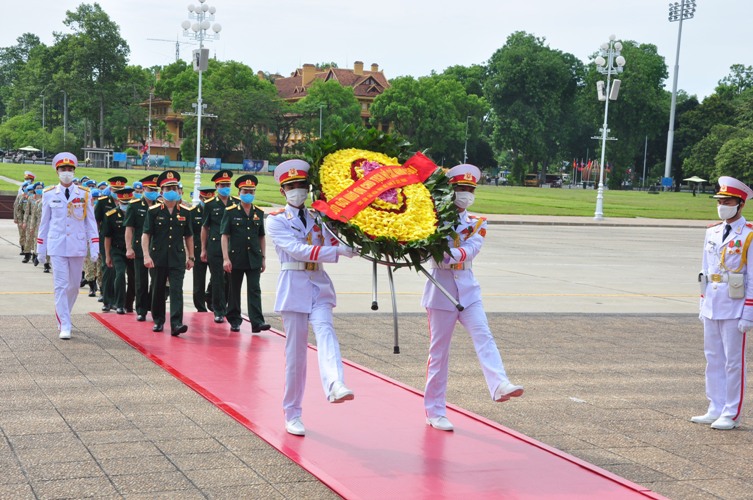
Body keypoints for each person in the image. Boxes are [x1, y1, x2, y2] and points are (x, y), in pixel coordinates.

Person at [422, 164, 523, 432]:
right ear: (450, 191)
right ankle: (434, 410)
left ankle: (499, 384)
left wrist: (447, 252)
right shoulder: (431, 220)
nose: (465, 194)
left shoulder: (477, 222)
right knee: (438, 354)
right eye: (460, 189)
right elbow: (429, 254)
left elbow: (471, 249)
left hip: (468, 290)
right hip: (440, 292)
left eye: (469, 190)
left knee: (483, 334)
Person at [266, 159, 356, 436]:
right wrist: (337, 251)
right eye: (291, 187)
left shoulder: (320, 218)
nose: (298, 191)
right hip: (293, 287)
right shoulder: (276, 220)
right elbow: (297, 250)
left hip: (319, 285)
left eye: (302, 186)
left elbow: (332, 240)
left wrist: (350, 242)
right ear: (282, 191)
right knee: (296, 357)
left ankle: (335, 384)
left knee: (327, 331)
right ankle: (292, 413)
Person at [693, 176, 753, 430]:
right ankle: (715, 407)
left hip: (735, 305)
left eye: (727, 201)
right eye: (720, 201)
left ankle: (731, 412)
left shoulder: (748, 234)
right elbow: (705, 270)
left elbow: (751, 275)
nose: (722, 206)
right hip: (713, 303)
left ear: (740, 205)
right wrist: (702, 302)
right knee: (713, 358)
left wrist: (748, 313)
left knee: (733, 362)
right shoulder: (712, 232)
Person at [36, 153, 99, 339]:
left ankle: (64, 313)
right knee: (61, 285)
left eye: (70, 170)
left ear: (74, 172)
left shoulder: (84, 194)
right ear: (57, 171)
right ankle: (65, 323)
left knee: (73, 286)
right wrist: (41, 247)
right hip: (57, 245)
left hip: (77, 245)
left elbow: (91, 223)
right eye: (63, 169)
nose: (66, 173)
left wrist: (94, 246)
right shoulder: (48, 194)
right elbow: (44, 223)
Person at [142, 170, 194, 336]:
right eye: (168, 188)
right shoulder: (154, 211)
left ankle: (176, 323)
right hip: (158, 257)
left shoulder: (185, 212)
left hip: (177, 257)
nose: (172, 191)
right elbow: (146, 235)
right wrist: (146, 255)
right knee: (157, 289)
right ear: (161, 191)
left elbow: (189, 236)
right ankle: (158, 320)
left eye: (174, 187)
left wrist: (191, 256)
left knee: (176, 290)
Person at [221, 174, 270, 333]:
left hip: (254, 257)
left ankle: (257, 321)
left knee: (254, 289)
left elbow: (261, 236)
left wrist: (263, 257)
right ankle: (234, 319)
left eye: (251, 191)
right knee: (234, 290)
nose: (248, 194)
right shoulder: (231, 211)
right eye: (245, 191)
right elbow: (225, 236)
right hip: (236, 257)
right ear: (239, 192)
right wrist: (226, 258)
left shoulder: (259, 212)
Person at [202, 170, 237, 324]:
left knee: (230, 280)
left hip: (232, 247)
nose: (226, 187)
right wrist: (203, 249)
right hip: (215, 247)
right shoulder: (210, 205)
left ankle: (228, 306)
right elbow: (205, 228)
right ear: (216, 187)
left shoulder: (236, 203)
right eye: (223, 185)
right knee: (218, 279)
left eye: (228, 185)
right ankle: (218, 310)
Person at [125, 174, 160, 322]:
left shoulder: (161, 205)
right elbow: (129, 228)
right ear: (144, 188)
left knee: (157, 280)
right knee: (141, 281)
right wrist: (129, 248)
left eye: (155, 189)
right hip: (140, 249)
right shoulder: (134, 206)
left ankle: (152, 306)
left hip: (157, 249)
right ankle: (141, 310)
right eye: (150, 189)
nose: (153, 192)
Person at [95, 176, 126, 311]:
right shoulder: (103, 202)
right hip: (106, 239)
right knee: (108, 269)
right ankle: (107, 300)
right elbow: (96, 221)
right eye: (115, 189)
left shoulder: (126, 202)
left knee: (119, 272)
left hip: (122, 241)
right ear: (110, 188)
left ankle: (117, 300)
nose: (117, 191)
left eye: (120, 189)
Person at [103, 187, 134, 315]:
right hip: (117, 250)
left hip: (133, 250)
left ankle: (129, 304)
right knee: (120, 274)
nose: (126, 206)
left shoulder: (136, 213)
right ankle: (119, 304)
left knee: (134, 278)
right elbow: (107, 237)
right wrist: (107, 256)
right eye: (123, 203)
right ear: (119, 201)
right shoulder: (111, 215)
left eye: (128, 203)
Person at [188, 187, 215, 312]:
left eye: (211, 199)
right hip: (198, 250)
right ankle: (200, 307)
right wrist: (190, 255)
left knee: (218, 278)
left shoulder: (217, 210)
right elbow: (189, 235)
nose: (208, 202)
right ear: (200, 198)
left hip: (215, 250)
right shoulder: (193, 212)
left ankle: (210, 295)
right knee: (199, 281)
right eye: (206, 199)